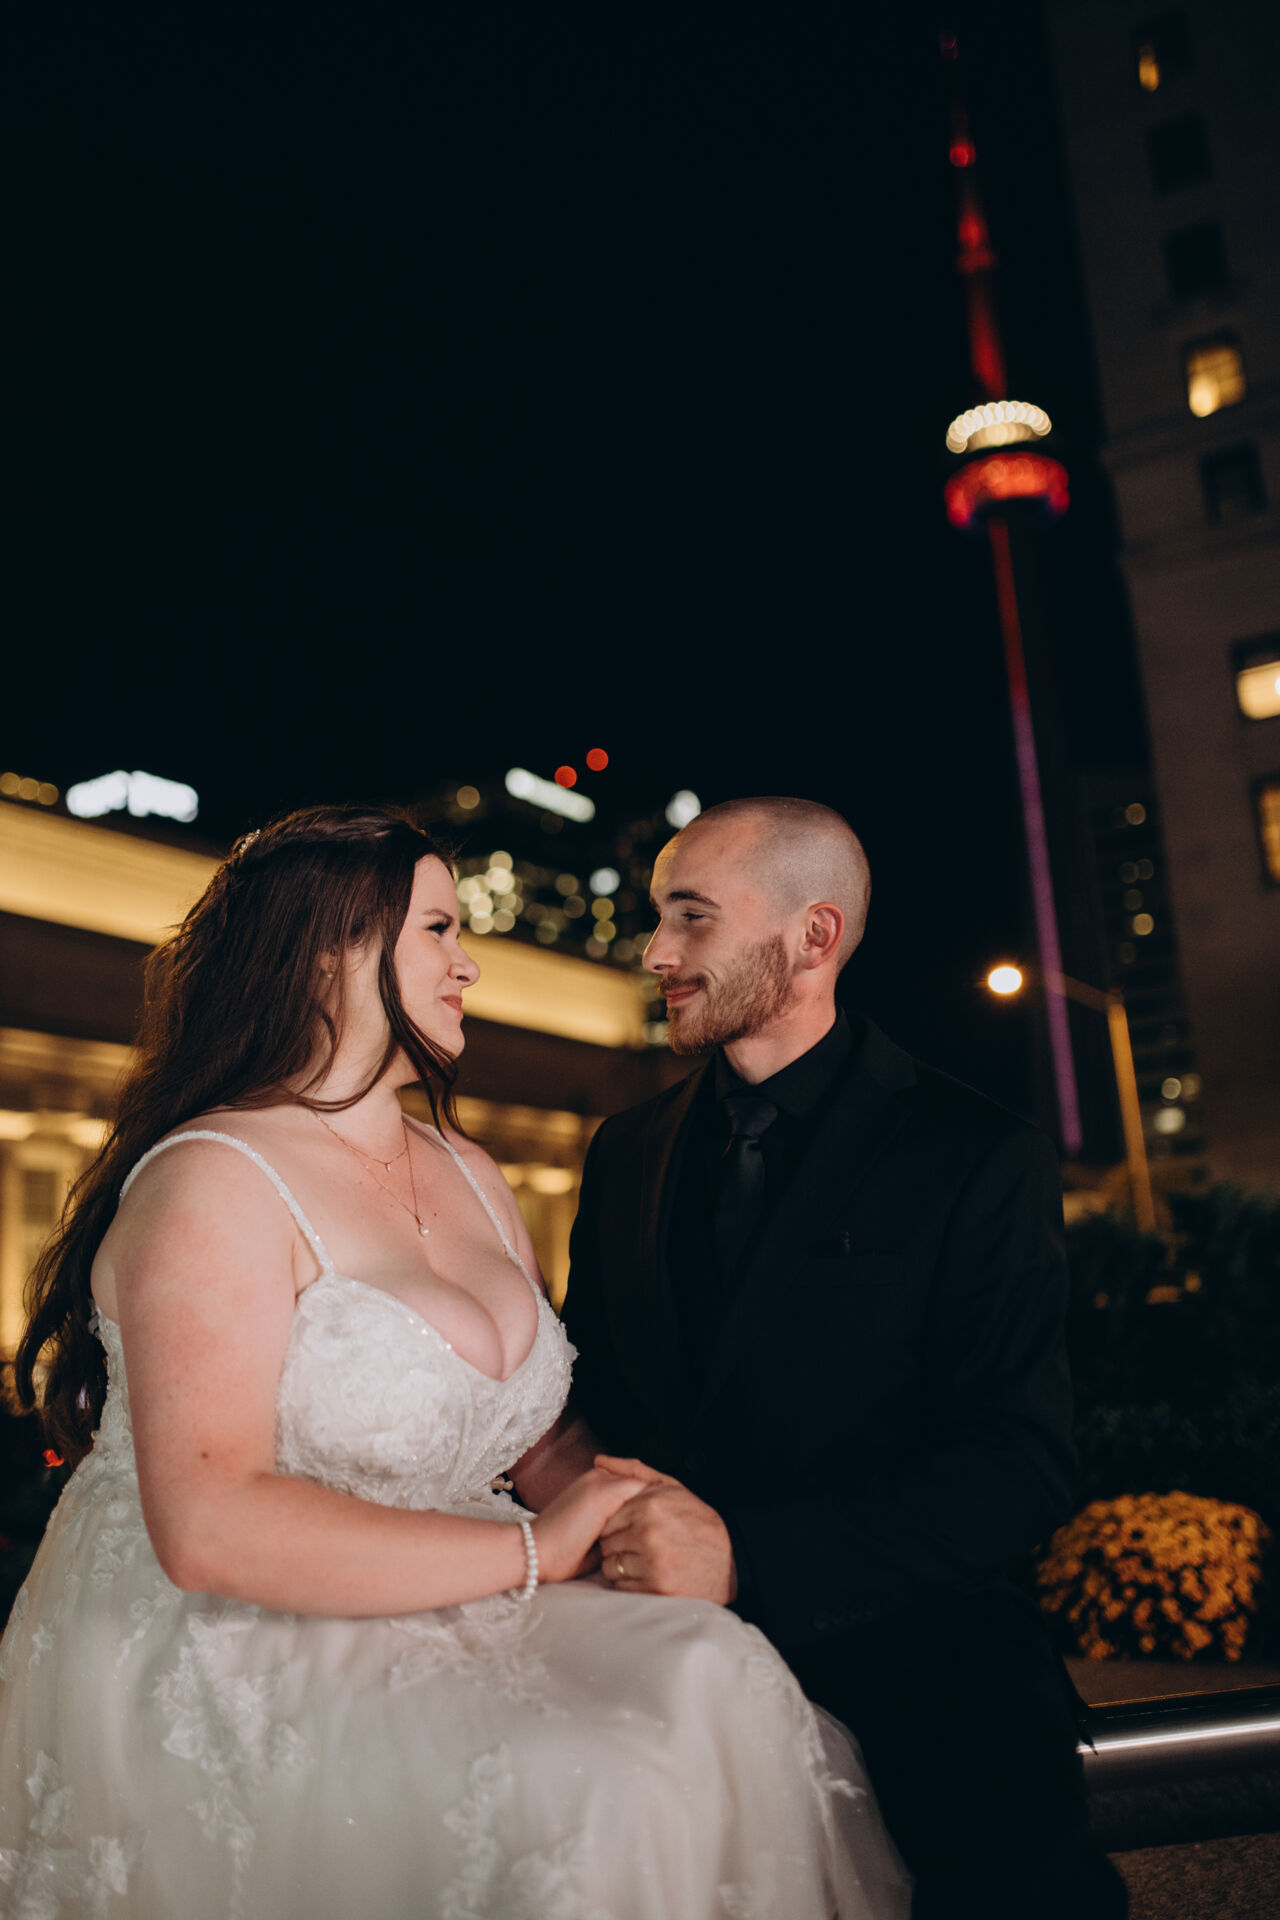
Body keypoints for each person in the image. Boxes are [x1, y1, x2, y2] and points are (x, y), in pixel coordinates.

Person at [0, 803, 908, 1920]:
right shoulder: (212, 1180)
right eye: (437, 929)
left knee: (716, 1673)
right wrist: (538, 1549)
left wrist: (635, 1512)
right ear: (326, 951)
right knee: (598, 1782)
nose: (468, 964)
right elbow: (209, 1526)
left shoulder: (471, 1171)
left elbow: (538, 1437)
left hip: (464, 1589)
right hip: (250, 1628)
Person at [556, 796, 1129, 1920]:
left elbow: (1018, 1466)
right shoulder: (625, 1152)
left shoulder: (976, 1154)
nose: (657, 952)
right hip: (646, 1625)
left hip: (916, 1643)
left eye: (691, 917)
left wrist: (747, 1560)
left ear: (812, 935)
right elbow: (592, 1397)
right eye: (657, 917)